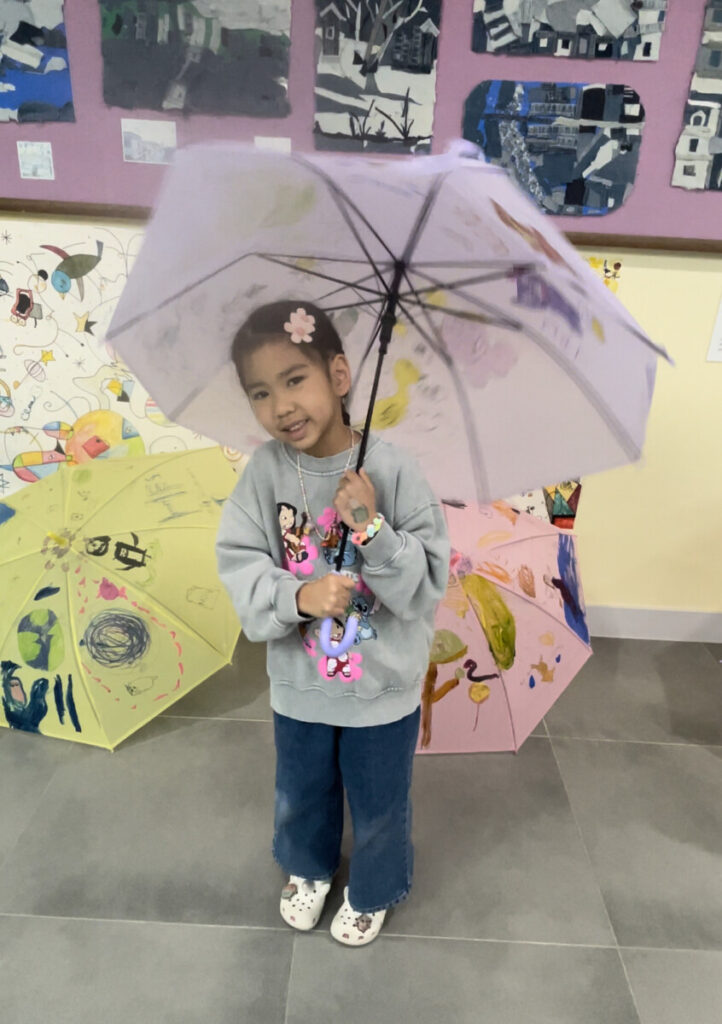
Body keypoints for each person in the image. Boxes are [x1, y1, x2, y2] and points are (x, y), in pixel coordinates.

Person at [216, 300, 450, 947]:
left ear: (339, 375)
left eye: (295, 379)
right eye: (261, 393)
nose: (281, 406)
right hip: (302, 686)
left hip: (381, 688)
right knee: (301, 790)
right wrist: (300, 596)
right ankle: (308, 866)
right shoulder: (265, 473)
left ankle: (374, 888)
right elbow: (239, 560)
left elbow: (426, 585)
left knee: (379, 801)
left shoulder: (393, 470)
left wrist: (371, 529)